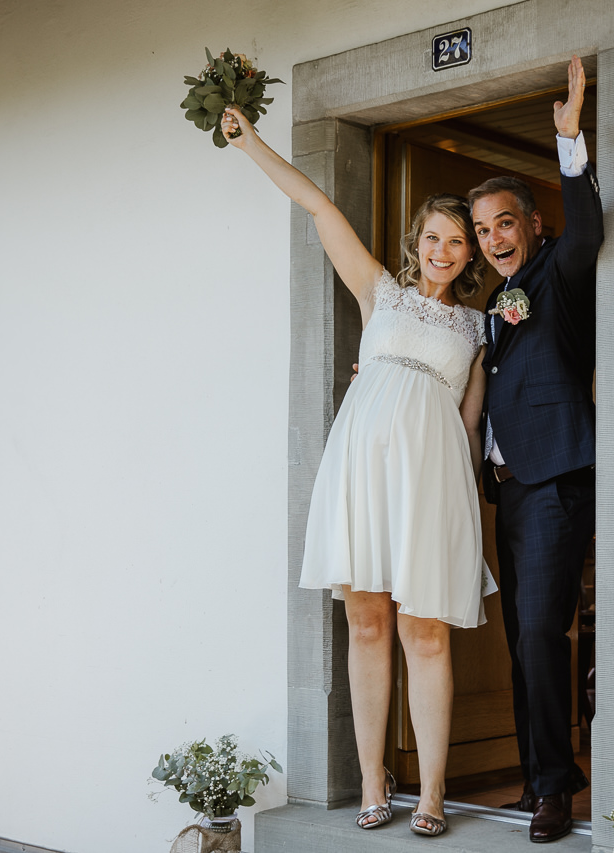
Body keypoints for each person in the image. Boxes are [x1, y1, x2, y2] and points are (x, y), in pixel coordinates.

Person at [219, 107, 496, 839]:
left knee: (426, 629)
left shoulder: (478, 327)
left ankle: (432, 790)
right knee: (367, 620)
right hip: (361, 467)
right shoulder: (381, 292)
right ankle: (374, 776)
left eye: (456, 241)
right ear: (417, 243)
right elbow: (316, 204)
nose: (443, 250)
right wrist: (251, 143)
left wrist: (465, 504)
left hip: (430, 480)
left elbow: (471, 423)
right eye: (433, 237)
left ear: (470, 255)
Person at [470, 56, 602, 844]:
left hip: (554, 478)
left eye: (503, 225)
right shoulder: (494, 301)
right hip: (508, 489)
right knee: (522, 638)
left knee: (536, 634)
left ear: (532, 225)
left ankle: (557, 785)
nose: (492, 242)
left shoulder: (558, 271)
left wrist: (569, 142)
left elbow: (589, 229)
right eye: (482, 231)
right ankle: (533, 774)